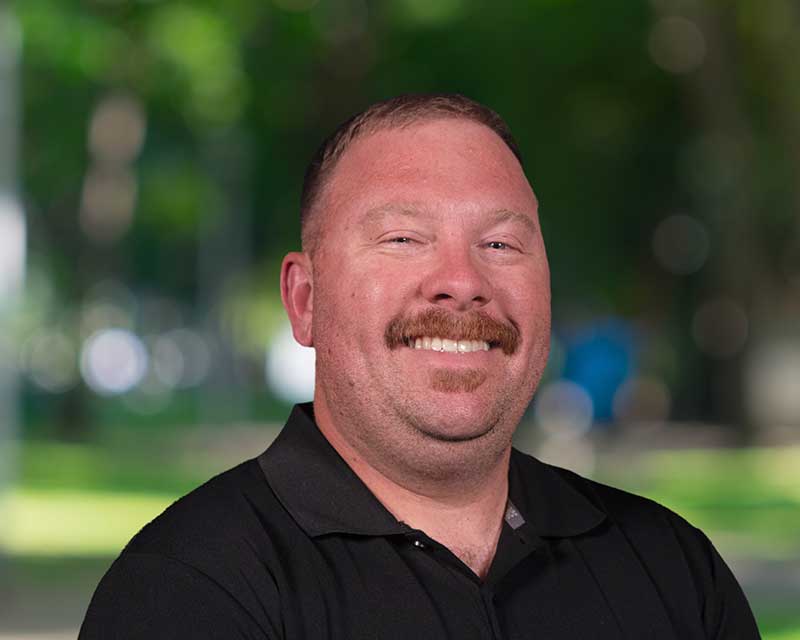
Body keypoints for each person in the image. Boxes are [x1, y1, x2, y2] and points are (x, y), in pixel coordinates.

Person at [79, 94, 761, 639]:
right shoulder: (187, 592)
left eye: (499, 242)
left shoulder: (673, 571)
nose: (461, 281)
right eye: (403, 238)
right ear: (305, 300)